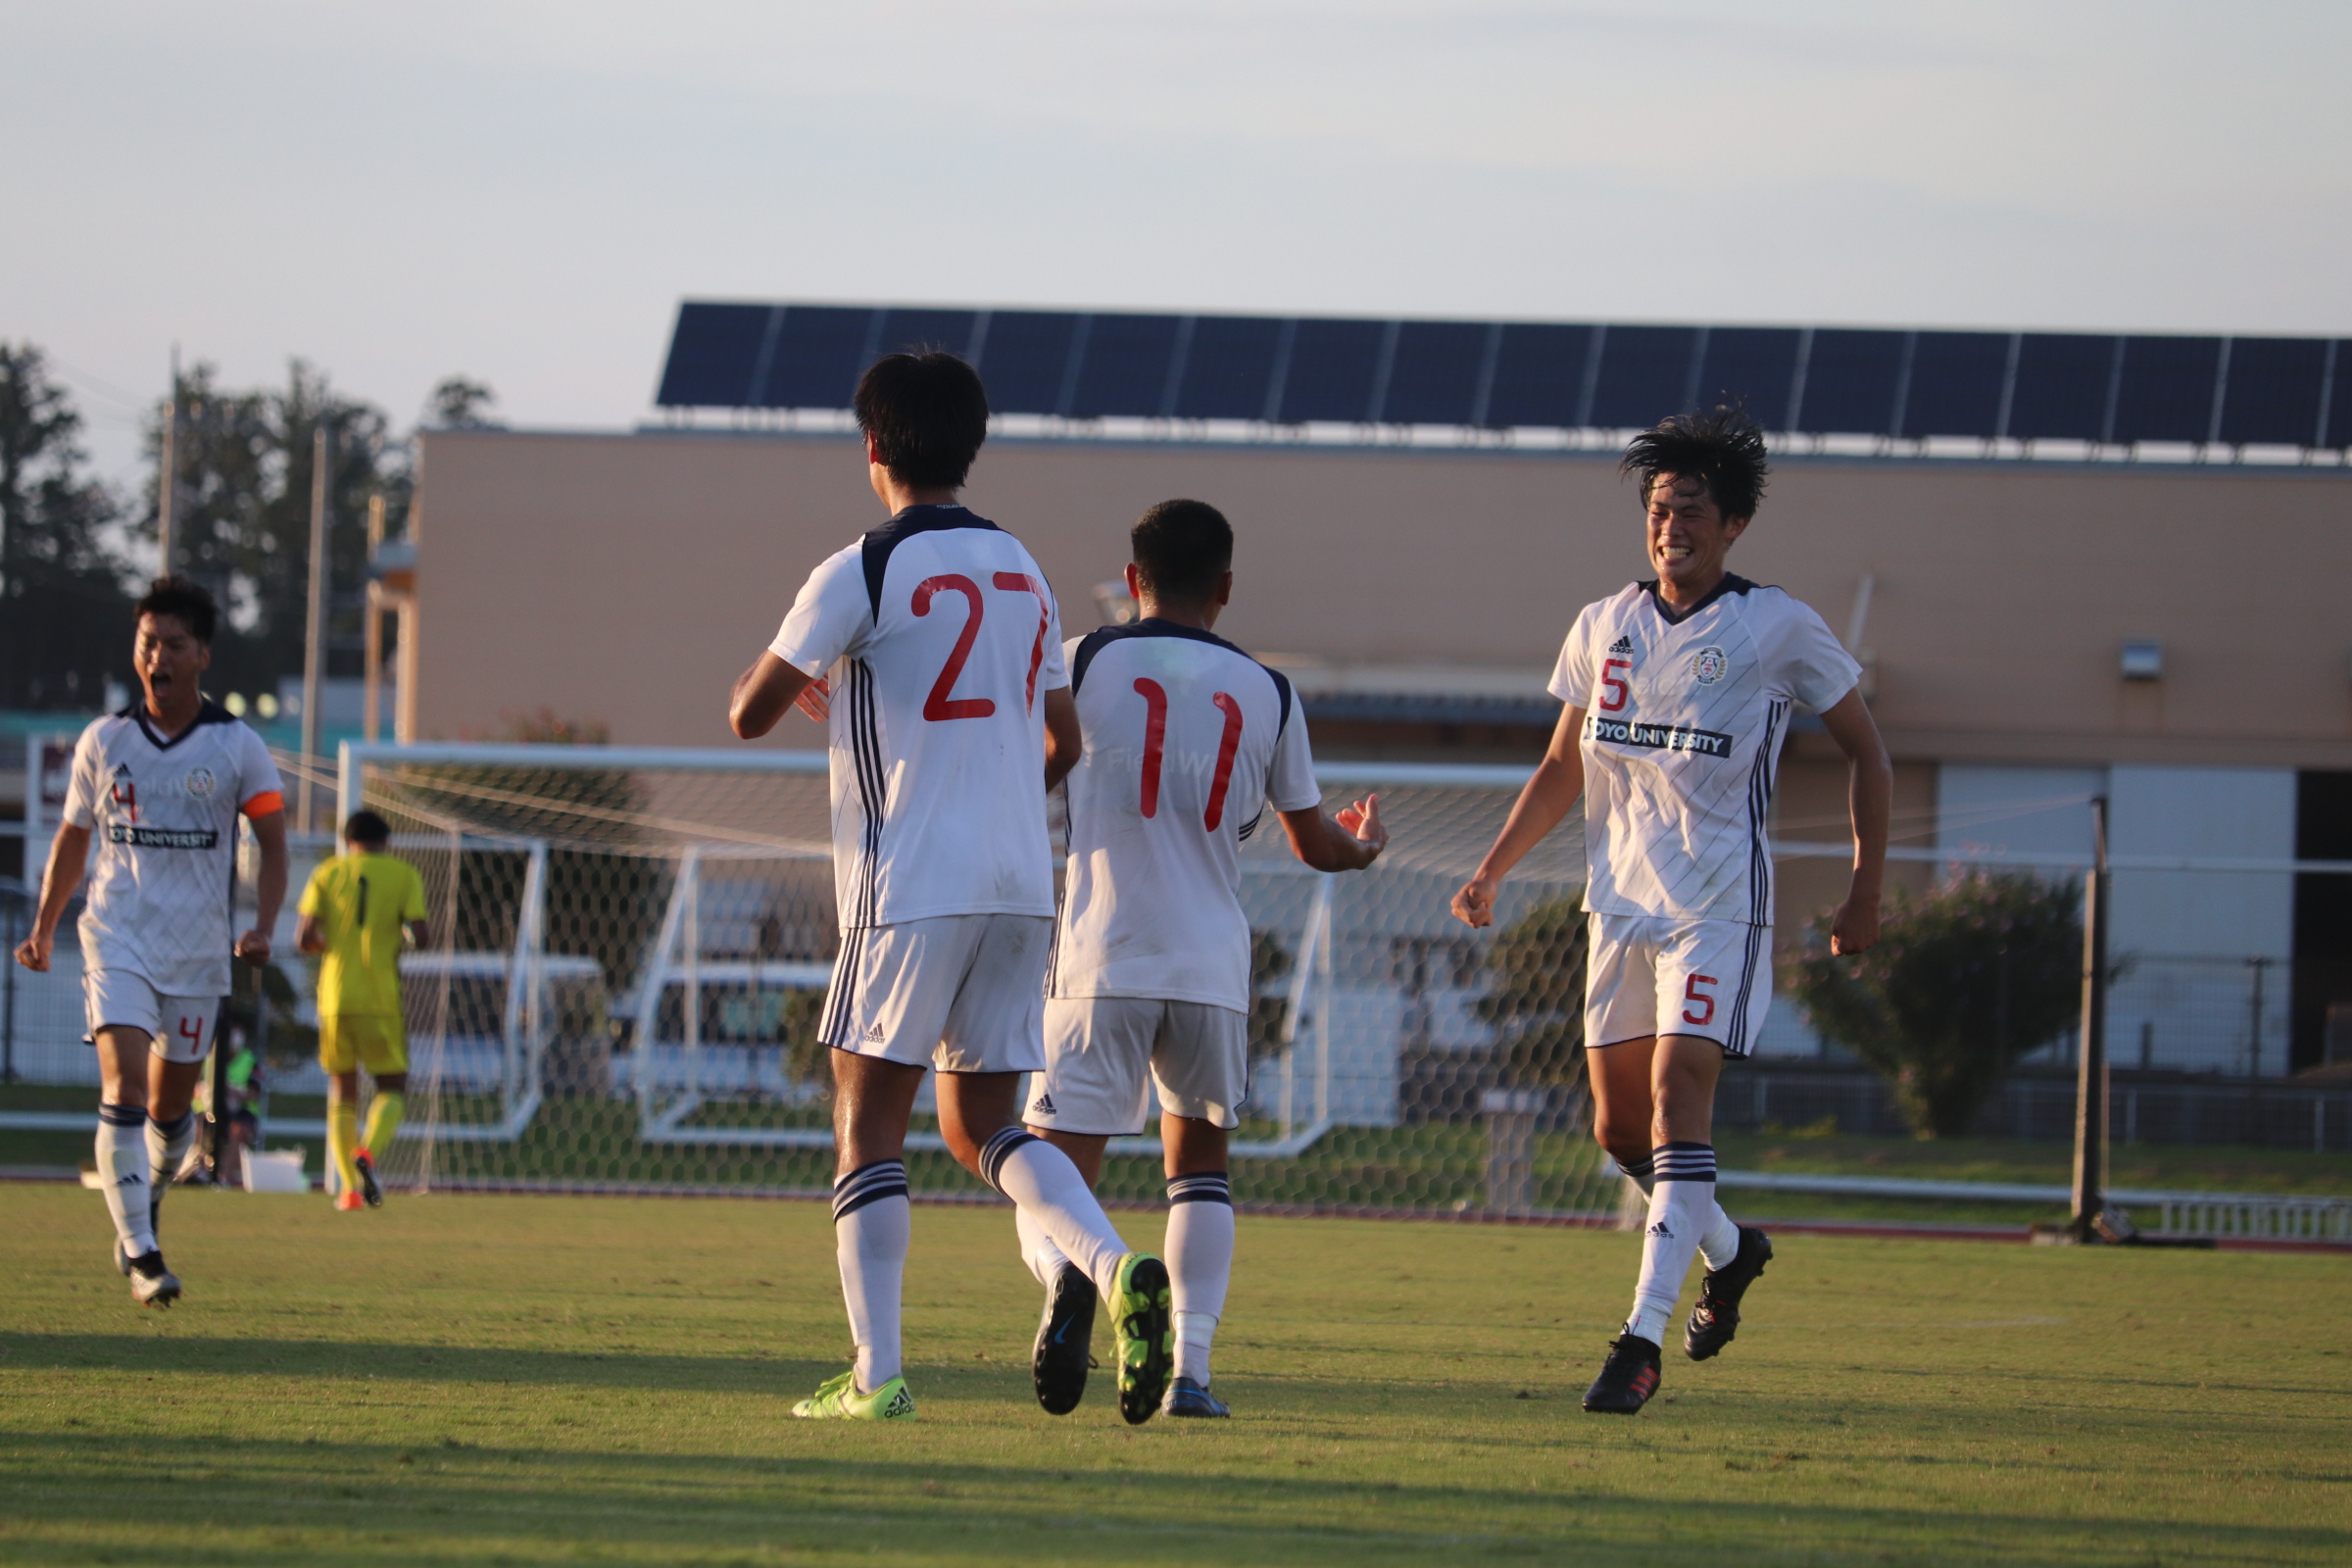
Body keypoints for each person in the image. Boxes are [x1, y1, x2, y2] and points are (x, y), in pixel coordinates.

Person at [728, 351, 1174, 1424]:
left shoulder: (859, 568)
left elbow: (749, 710)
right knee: (981, 1129)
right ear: (971, 447)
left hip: (909, 878)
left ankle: (876, 1376)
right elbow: (1060, 740)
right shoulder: (1026, 570)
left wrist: (817, 690)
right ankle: (1117, 1272)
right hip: (1022, 881)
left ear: (872, 446)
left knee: (866, 1115)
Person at [1450, 409, 1890, 1415]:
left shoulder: (1777, 625)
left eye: (1691, 509)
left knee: (1675, 1106)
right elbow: (1563, 764)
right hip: (1621, 911)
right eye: (1658, 508)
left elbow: (1869, 747)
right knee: (1617, 1130)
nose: (1670, 526)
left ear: (1732, 524)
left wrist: (1866, 885)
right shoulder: (1603, 622)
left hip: (1719, 912)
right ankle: (1731, 1253)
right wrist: (1493, 868)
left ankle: (1637, 1342)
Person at [1021, 499, 1388, 1419]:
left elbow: (1018, 764)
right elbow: (1314, 846)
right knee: (1202, 1172)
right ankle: (1192, 1373)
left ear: (1131, 577)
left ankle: (1080, 1286)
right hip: (1213, 965)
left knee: (1049, 1169)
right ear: (1226, 588)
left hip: (1101, 953)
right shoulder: (1268, 691)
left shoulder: (1082, 658)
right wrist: (1363, 844)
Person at [13, 576, 289, 1306]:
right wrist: (43, 927)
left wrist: (263, 926)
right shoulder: (104, 741)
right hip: (117, 937)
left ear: (201, 654)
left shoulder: (237, 746)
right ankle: (142, 1253)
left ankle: (145, 1201)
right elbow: (73, 841)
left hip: (198, 953)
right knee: (123, 1088)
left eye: (172, 644)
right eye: (147, 643)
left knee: (171, 1123)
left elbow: (273, 839)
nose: (156, 656)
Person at [296, 809, 429, 1210]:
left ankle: (348, 1191)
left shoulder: (327, 872)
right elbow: (422, 936)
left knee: (342, 1089)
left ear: (348, 840)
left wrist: (333, 949)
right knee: (393, 1085)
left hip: (334, 997)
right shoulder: (403, 874)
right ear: (385, 841)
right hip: (380, 996)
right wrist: (397, 941)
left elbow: (303, 937)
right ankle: (367, 1152)